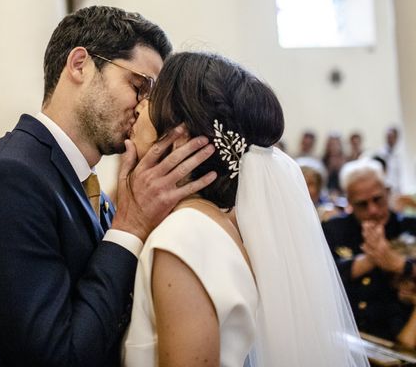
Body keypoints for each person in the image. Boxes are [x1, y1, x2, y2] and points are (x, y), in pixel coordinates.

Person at [0, 6, 216, 366]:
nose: (145, 109)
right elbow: (58, 355)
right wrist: (129, 227)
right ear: (79, 64)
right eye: (139, 87)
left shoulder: (87, 184)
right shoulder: (5, 179)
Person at [122, 52, 368, 366]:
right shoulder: (221, 226)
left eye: (152, 98)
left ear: (180, 136)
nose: (139, 105)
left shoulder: (183, 236)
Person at [323, 158, 416, 342]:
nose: (373, 210)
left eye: (377, 199)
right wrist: (371, 259)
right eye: (362, 204)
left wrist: (400, 264)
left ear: (387, 192)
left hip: (399, 340)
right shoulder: (334, 229)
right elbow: (320, 277)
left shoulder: (410, 226)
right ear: (349, 201)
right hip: (347, 337)